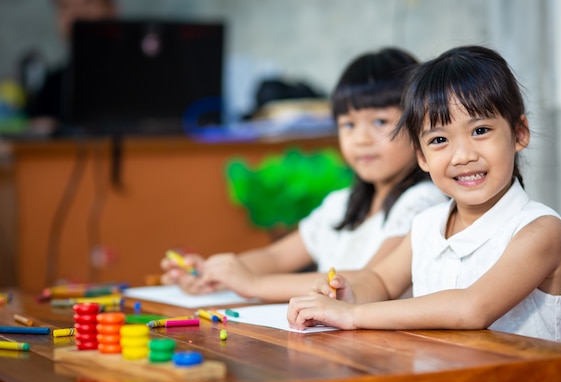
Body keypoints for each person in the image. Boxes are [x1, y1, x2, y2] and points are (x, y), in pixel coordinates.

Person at [287, 45, 561, 346]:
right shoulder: (427, 225)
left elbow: (472, 308)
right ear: (421, 157)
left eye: (480, 131)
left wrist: (353, 315)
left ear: (519, 133)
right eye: (439, 139)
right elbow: (382, 281)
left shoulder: (540, 230)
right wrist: (349, 293)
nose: (462, 155)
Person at [161, 47, 448, 301]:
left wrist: (254, 284)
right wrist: (212, 272)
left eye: (380, 121)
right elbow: (276, 256)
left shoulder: (423, 202)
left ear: (417, 124)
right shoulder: (342, 203)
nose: (361, 139)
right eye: (348, 125)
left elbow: (368, 280)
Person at [21, 0, 118, 134]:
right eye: (65, 7)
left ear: (112, 10)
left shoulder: (143, 78)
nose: (75, 14)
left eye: (86, 3)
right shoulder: (50, 86)